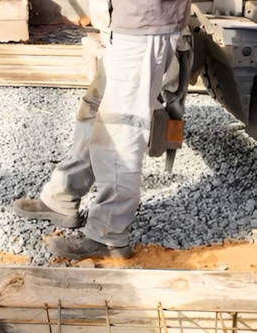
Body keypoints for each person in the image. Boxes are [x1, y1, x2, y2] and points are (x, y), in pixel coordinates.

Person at [12, 0, 192, 259]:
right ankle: (63, 196)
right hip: (124, 23)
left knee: (120, 132)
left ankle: (109, 235)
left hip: (144, 25)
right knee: (94, 112)